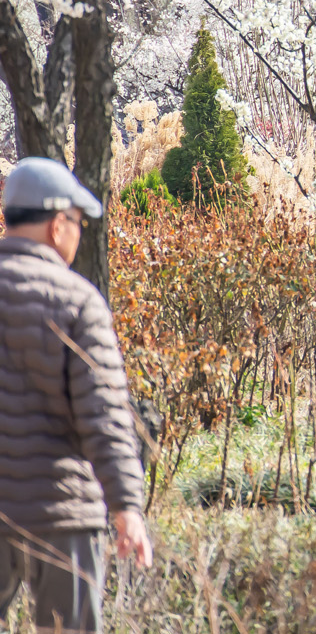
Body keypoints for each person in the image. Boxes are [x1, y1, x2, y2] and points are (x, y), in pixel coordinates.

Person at [0, 159, 152, 633]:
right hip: (63, 512)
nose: (79, 234)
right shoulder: (78, 301)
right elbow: (103, 416)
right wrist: (126, 506)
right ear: (57, 223)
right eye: (79, 224)